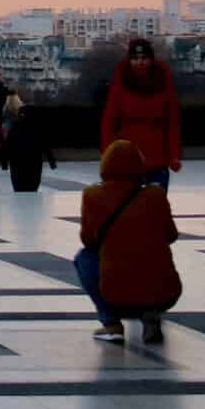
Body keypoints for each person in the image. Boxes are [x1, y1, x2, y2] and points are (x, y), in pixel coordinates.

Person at [77, 138, 181, 345]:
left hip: (115, 293)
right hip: (165, 294)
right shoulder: (156, 194)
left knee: (84, 258)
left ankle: (111, 323)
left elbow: (89, 240)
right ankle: (150, 313)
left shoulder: (93, 195)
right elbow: (171, 235)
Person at [100, 38, 183, 187]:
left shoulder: (163, 83)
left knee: (155, 207)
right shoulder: (121, 85)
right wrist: (108, 154)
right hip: (128, 161)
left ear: (151, 60)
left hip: (157, 159)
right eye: (135, 58)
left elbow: (172, 123)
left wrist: (174, 156)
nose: (140, 62)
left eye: (144, 58)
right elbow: (109, 122)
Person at [3, 93, 46, 193]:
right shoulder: (36, 129)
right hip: (32, 163)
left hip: (19, 164)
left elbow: (8, 145)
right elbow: (44, 144)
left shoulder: (16, 128)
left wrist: (5, 161)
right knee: (31, 187)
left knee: (20, 188)